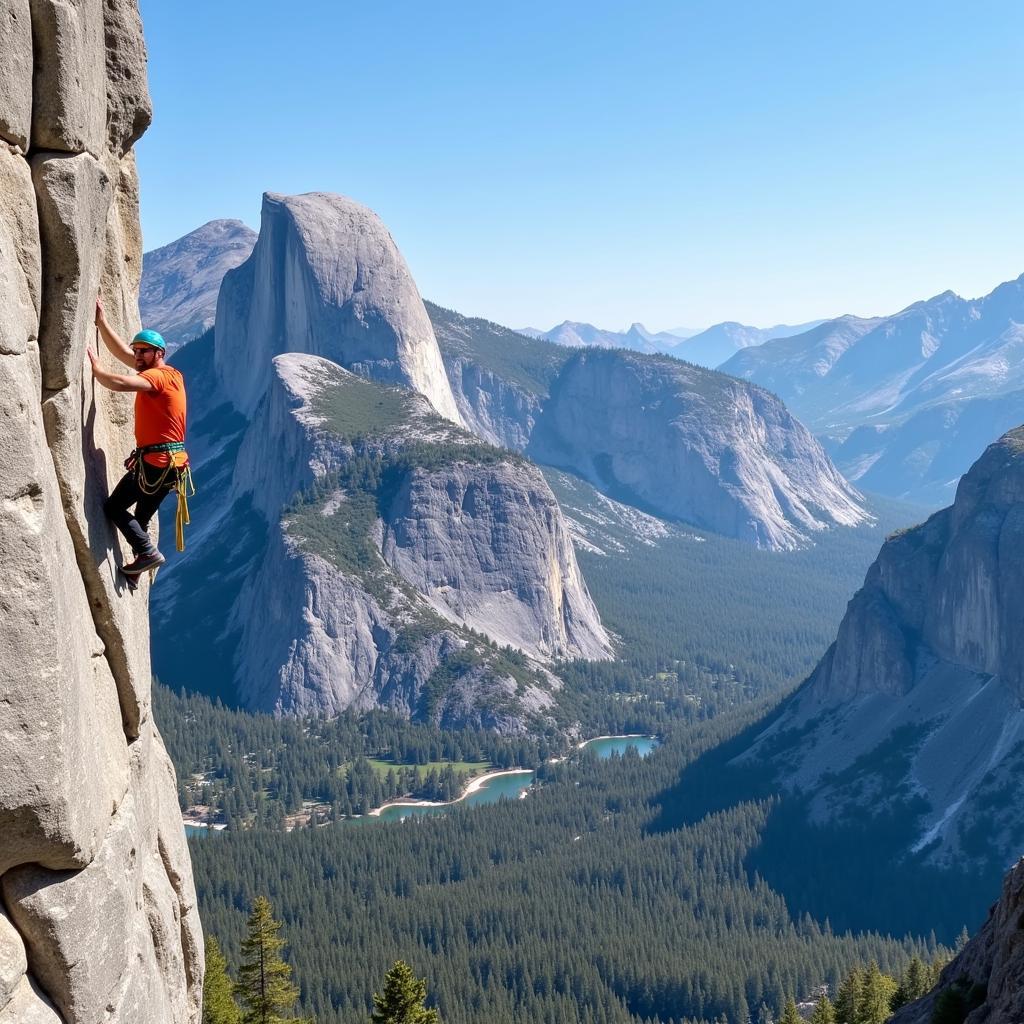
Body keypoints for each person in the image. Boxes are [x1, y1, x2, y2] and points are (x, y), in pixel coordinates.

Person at [87, 297, 191, 576]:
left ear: (159, 353)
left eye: (144, 351)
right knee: (141, 518)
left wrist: (96, 371)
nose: (138, 355)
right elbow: (123, 355)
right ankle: (136, 569)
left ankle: (147, 553)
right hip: (172, 465)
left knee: (114, 507)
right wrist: (102, 322)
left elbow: (121, 382)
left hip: (156, 463)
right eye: (137, 350)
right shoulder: (170, 375)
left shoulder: (158, 378)